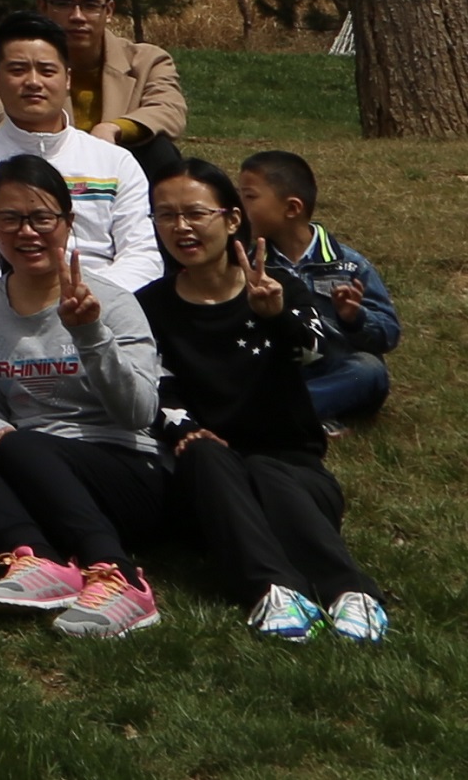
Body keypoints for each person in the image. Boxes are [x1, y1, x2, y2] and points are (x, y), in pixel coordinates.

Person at [140, 159, 387, 642]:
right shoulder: (149, 305)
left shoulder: (279, 286)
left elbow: (320, 354)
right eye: (166, 215)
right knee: (204, 453)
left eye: (195, 213)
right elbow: (152, 387)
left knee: (268, 470)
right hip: (212, 485)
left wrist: (276, 315)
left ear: (232, 219)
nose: (181, 227)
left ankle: (350, 591)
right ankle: (273, 590)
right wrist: (185, 428)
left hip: (293, 471)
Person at [0, 150, 170, 639]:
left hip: (125, 472)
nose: (27, 232)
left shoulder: (114, 302)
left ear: (68, 222)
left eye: (41, 218)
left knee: (25, 445)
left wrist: (90, 333)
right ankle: (38, 560)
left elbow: (139, 413)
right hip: (34, 468)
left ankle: (119, 577)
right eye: (9, 218)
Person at [0, 15, 153, 289]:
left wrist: (92, 297)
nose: (33, 82)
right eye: (18, 70)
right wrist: (21, 296)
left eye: (47, 71)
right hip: (3, 302)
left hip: (103, 300)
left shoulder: (114, 161)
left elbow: (142, 254)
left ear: (67, 78)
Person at [233, 151, 397, 428]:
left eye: (249, 197)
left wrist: (355, 318)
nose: (238, 206)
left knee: (369, 372)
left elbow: (389, 334)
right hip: (274, 366)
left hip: (334, 369)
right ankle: (308, 416)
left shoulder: (348, 265)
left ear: (292, 208)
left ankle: (272, 415)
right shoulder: (248, 265)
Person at [35, 0, 189, 184]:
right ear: (43, 8)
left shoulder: (147, 61)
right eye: (63, 4)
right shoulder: (24, 64)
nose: (77, 16)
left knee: (159, 150)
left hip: (122, 172)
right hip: (47, 169)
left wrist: (112, 128)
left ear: (108, 11)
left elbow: (169, 110)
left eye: (90, 5)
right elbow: (1, 111)